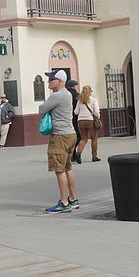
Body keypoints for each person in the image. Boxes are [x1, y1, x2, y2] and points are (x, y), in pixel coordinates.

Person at [40, 69, 78, 213]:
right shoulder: (67, 94)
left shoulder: (58, 95)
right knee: (68, 167)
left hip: (60, 136)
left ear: (60, 81)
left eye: (51, 79)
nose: (48, 82)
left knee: (59, 169)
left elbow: (41, 109)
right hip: (70, 133)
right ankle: (73, 199)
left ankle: (64, 202)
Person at [74, 85, 101, 162]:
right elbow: (96, 112)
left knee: (84, 139)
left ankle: (78, 153)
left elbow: (76, 112)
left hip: (80, 121)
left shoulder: (79, 101)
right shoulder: (93, 100)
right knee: (94, 138)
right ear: (90, 92)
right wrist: (98, 117)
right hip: (90, 121)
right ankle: (94, 156)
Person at [66, 80, 81, 164]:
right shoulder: (77, 95)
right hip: (76, 117)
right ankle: (72, 151)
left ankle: (73, 153)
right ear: (74, 86)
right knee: (78, 136)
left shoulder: (65, 95)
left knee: (70, 135)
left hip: (67, 117)